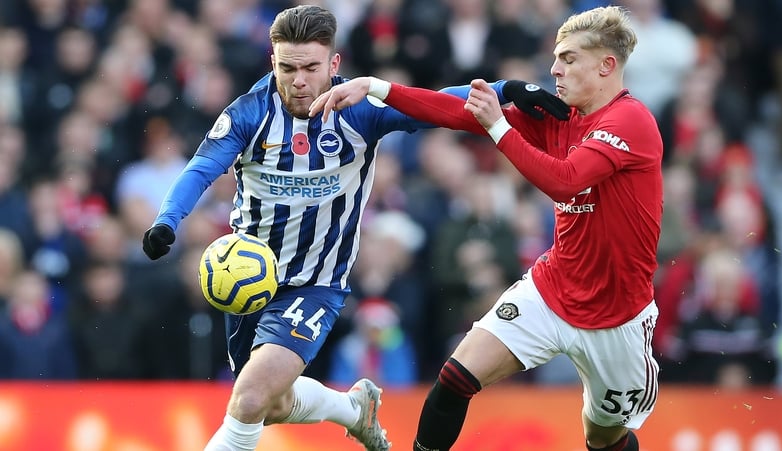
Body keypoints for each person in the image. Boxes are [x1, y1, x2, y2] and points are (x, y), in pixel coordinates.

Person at [141, 5, 569, 451]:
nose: (299, 80)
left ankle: (345, 409)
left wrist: (504, 90)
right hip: (249, 279)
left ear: (334, 63)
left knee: (249, 397)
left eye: (310, 67)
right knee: (269, 402)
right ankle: (351, 410)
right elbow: (202, 168)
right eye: (288, 68)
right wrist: (167, 221)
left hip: (317, 283)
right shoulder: (249, 113)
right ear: (273, 62)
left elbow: (436, 101)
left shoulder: (360, 109)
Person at [311, 5, 663, 451]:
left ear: (607, 65)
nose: (554, 68)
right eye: (556, 57)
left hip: (618, 318)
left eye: (569, 59)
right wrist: (377, 87)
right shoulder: (560, 116)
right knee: (455, 376)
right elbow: (457, 112)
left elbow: (564, 180)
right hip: (552, 291)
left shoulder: (630, 121)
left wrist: (500, 125)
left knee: (603, 437)